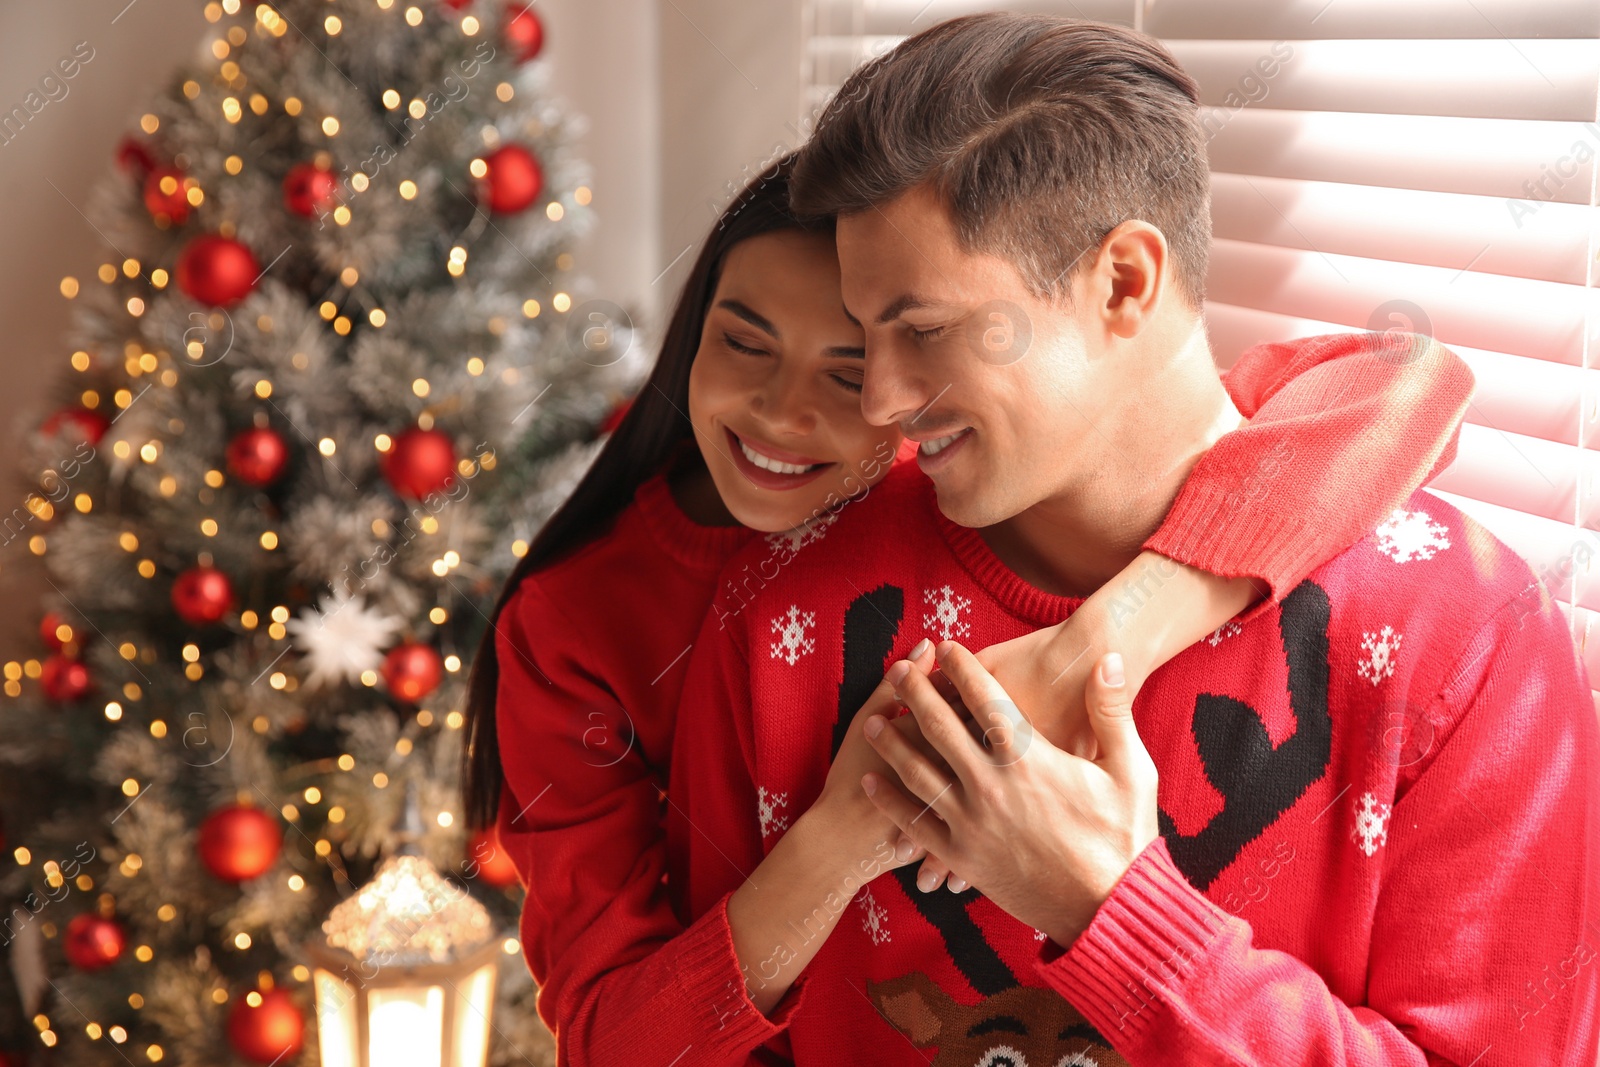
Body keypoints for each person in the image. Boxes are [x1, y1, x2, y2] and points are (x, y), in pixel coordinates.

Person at [668, 13, 1599, 1067]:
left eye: (922, 331)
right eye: (864, 334)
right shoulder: (788, 609)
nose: (880, 400)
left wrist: (1111, 909)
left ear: (1122, 282)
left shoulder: (1463, 641)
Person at [463, 153, 1473, 1065]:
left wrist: (1112, 631)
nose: (781, 412)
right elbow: (611, 1040)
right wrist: (844, 833)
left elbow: (1399, 379)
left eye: (850, 372)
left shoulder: (944, 472)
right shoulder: (577, 623)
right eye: (744, 343)